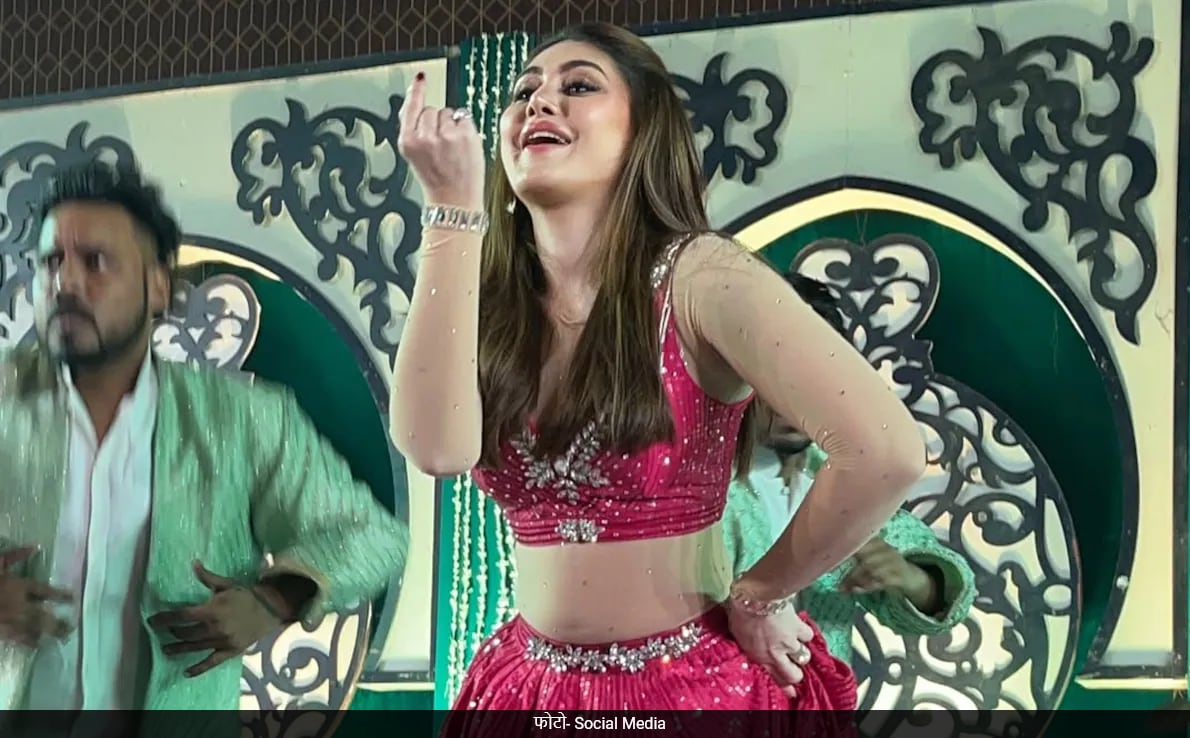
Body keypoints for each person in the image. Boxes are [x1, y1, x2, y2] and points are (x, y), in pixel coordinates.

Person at [389, 21, 925, 720]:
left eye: (579, 86)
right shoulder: (491, 301)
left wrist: (763, 594)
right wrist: (450, 208)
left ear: (643, 131)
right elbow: (437, 450)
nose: (539, 101)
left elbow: (886, 452)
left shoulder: (701, 276)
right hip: (527, 693)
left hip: (690, 694)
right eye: (524, 92)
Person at [0, 160, 409, 717]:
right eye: (51, 262)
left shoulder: (243, 420)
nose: (65, 283)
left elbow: (374, 537)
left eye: (95, 262)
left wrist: (275, 599)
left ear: (157, 287)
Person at [722, 274, 976, 666]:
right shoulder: (699, 484)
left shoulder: (842, 476)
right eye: (777, 377)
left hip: (824, 699)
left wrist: (910, 578)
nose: (797, 400)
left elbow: (943, 593)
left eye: (817, 381)